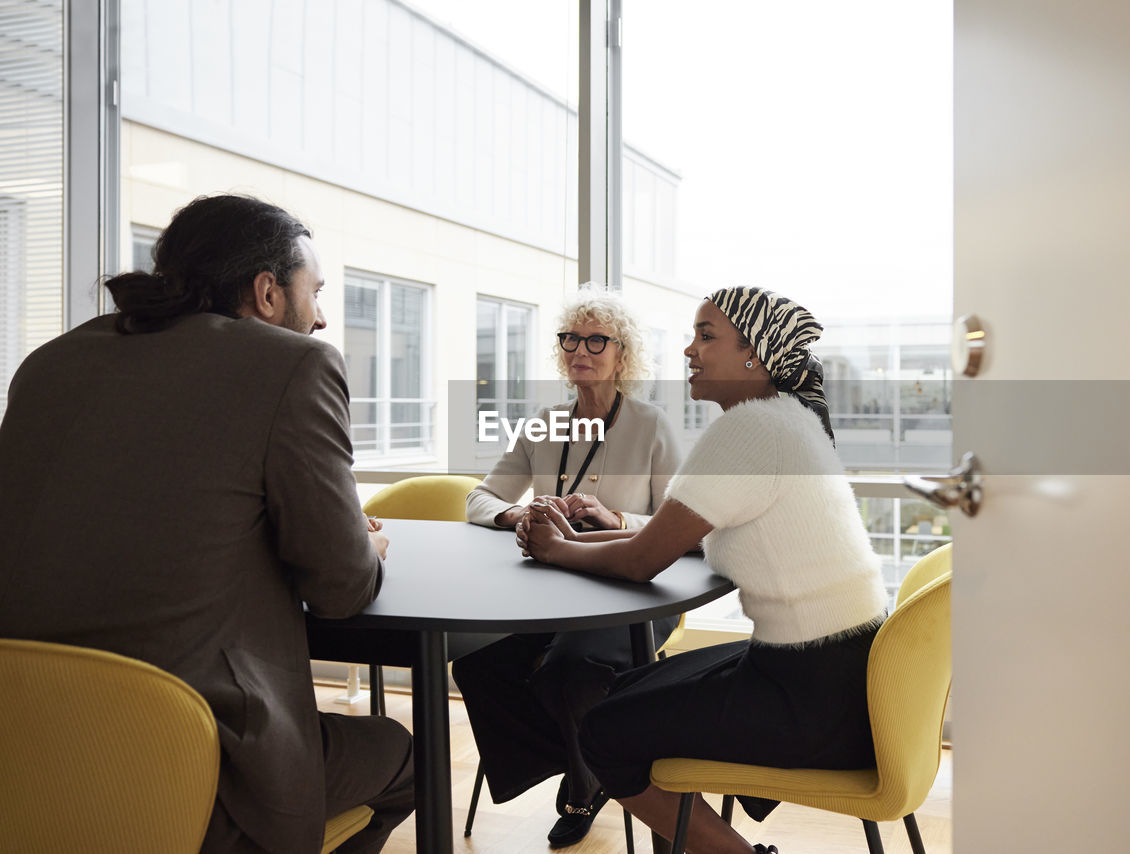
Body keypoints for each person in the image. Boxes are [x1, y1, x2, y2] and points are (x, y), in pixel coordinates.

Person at [0, 195, 413, 854]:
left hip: (23, 759)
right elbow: (340, 588)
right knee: (400, 756)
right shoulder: (292, 365)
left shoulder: (50, 362)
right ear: (268, 292)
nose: (324, 316)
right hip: (193, 763)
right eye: (317, 291)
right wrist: (366, 544)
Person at [518, 286, 888, 854]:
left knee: (603, 730)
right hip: (844, 673)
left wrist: (557, 550)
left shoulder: (747, 432)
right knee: (620, 693)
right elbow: (679, 535)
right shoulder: (784, 420)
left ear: (756, 355)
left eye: (706, 336)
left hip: (810, 695)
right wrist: (572, 539)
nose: (689, 350)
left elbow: (644, 561)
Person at [456, 283, 684, 847]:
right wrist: (520, 514)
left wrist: (615, 517)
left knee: (567, 671)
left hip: (634, 594)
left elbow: (682, 522)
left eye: (596, 340)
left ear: (622, 355)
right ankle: (590, 760)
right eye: (570, 339)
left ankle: (585, 785)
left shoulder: (652, 424)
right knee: (475, 663)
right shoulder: (545, 420)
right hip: (551, 594)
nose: (579, 350)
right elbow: (479, 498)